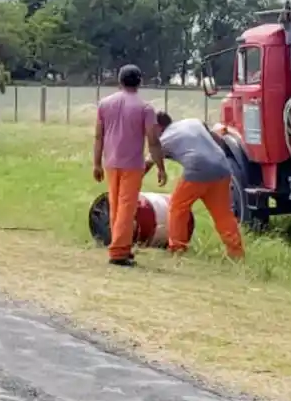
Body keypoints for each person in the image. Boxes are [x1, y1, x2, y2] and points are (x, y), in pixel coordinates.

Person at [93, 65, 165, 267]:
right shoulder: (145, 108)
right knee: (127, 207)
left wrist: (96, 163)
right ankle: (119, 251)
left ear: (119, 81)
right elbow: (153, 141)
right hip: (132, 164)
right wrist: (160, 167)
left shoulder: (105, 104)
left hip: (111, 162)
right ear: (140, 82)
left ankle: (120, 244)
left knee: (116, 206)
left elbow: (99, 136)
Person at [153, 110, 245, 260]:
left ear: (158, 127)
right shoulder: (192, 121)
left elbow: (148, 162)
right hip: (222, 167)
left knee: (177, 207)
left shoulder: (164, 139)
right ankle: (236, 253)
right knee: (223, 214)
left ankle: (177, 249)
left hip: (197, 169)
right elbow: (216, 138)